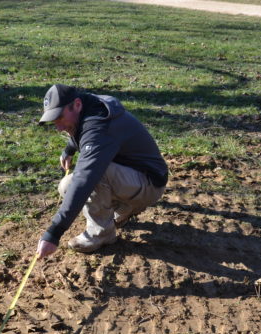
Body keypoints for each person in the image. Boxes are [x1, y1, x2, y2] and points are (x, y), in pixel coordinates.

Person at [36, 84, 168, 257]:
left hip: (149, 183)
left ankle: (101, 234)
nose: (59, 128)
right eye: (54, 121)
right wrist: (69, 149)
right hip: (132, 176)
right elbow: (83, 131)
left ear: (76, 104)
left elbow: (85, 178)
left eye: (59, 118)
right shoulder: (89, 106)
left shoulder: (100, 125)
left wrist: (54, 233)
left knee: (93, 176)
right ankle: (124, 207)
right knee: (66, 186)